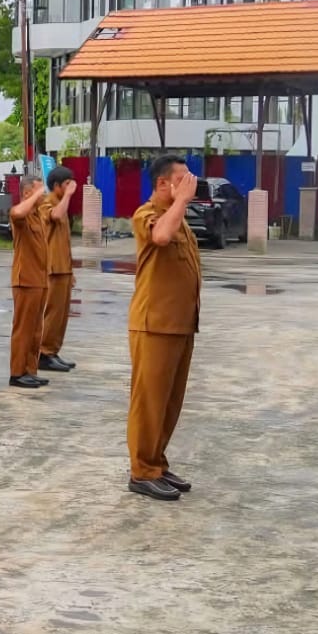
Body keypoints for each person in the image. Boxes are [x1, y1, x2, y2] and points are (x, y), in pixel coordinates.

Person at [127, 156, 201, 501]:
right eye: (183, 179)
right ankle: (142, 471)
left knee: (170, 402)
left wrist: (180, 204)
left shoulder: (179, 218)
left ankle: (156, 462)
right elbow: (160, 236)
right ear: (162, 184)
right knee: (150, 402)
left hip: (180, 324)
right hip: (154, 324)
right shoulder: (146, 214)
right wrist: (182, 200)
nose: (191, 184)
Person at [7, 172, 51, 389]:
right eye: (40, 190)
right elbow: (16, 213)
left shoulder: (37, 214)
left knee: (35, 329)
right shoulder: (21, 214)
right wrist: (34, 196)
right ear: (27, 193)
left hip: (40, 279)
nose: (44, 195)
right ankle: (17, 373)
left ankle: (29, 370)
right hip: (25, 279)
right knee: (23, 329)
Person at [38, 166, 78, 372]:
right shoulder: (47, 203)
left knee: (62, 314)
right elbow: (54, 215)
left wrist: (71, 270)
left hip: (63, 267)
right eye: (67, 184)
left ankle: (53, 350)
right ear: (56, 186)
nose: (71, 187)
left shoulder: (63, 204)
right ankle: (43, 352)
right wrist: (68, 196)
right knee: (52, 313)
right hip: (52, 268)